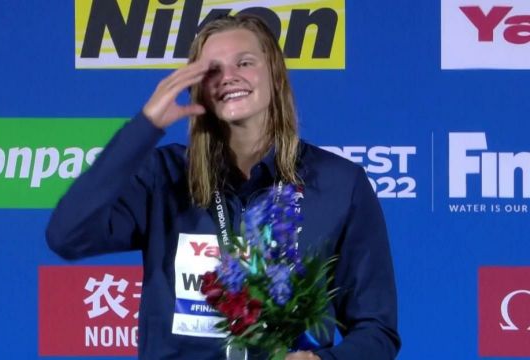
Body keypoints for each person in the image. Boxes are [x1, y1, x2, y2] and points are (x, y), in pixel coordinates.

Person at [47, 14, 400, 360]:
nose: (228, 77)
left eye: (244, 63)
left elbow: (376, 330)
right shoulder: (164, 176)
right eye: (212, 70)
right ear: (199, 86)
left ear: (275, 75)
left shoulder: (339, 183)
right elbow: (67, 234)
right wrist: (144, 127)